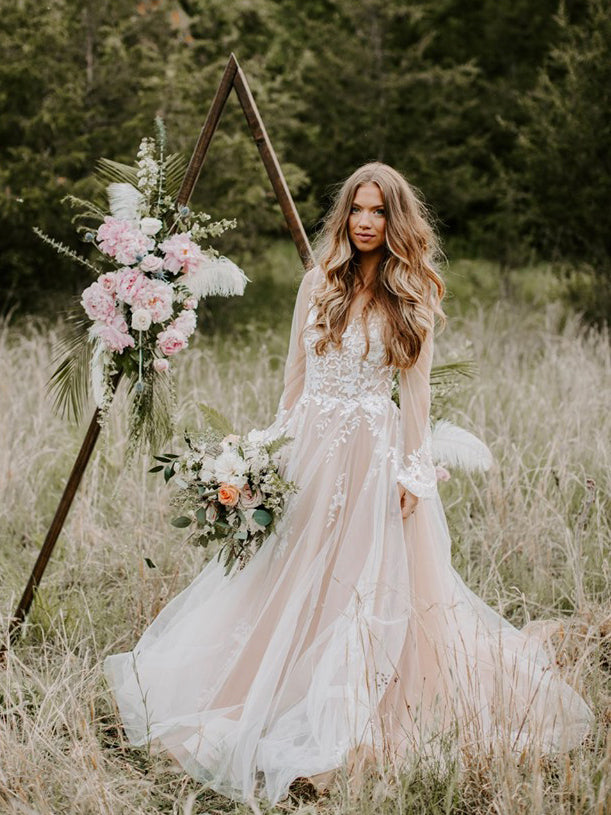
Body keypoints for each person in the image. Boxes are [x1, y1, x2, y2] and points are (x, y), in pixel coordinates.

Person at [104, 163, 594, 807]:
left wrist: (414, 472)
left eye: (379, 212)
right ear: (346, 214)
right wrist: (265, 457)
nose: (366, 222)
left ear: (396, 220)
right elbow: (293, 380)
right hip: (309, 450)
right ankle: (268, 690)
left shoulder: (411, 290)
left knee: (362, 584)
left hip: (371, 456)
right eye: (358, 210)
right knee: (286, 575)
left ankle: (354, 708)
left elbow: (414, 395)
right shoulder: (317, 282)